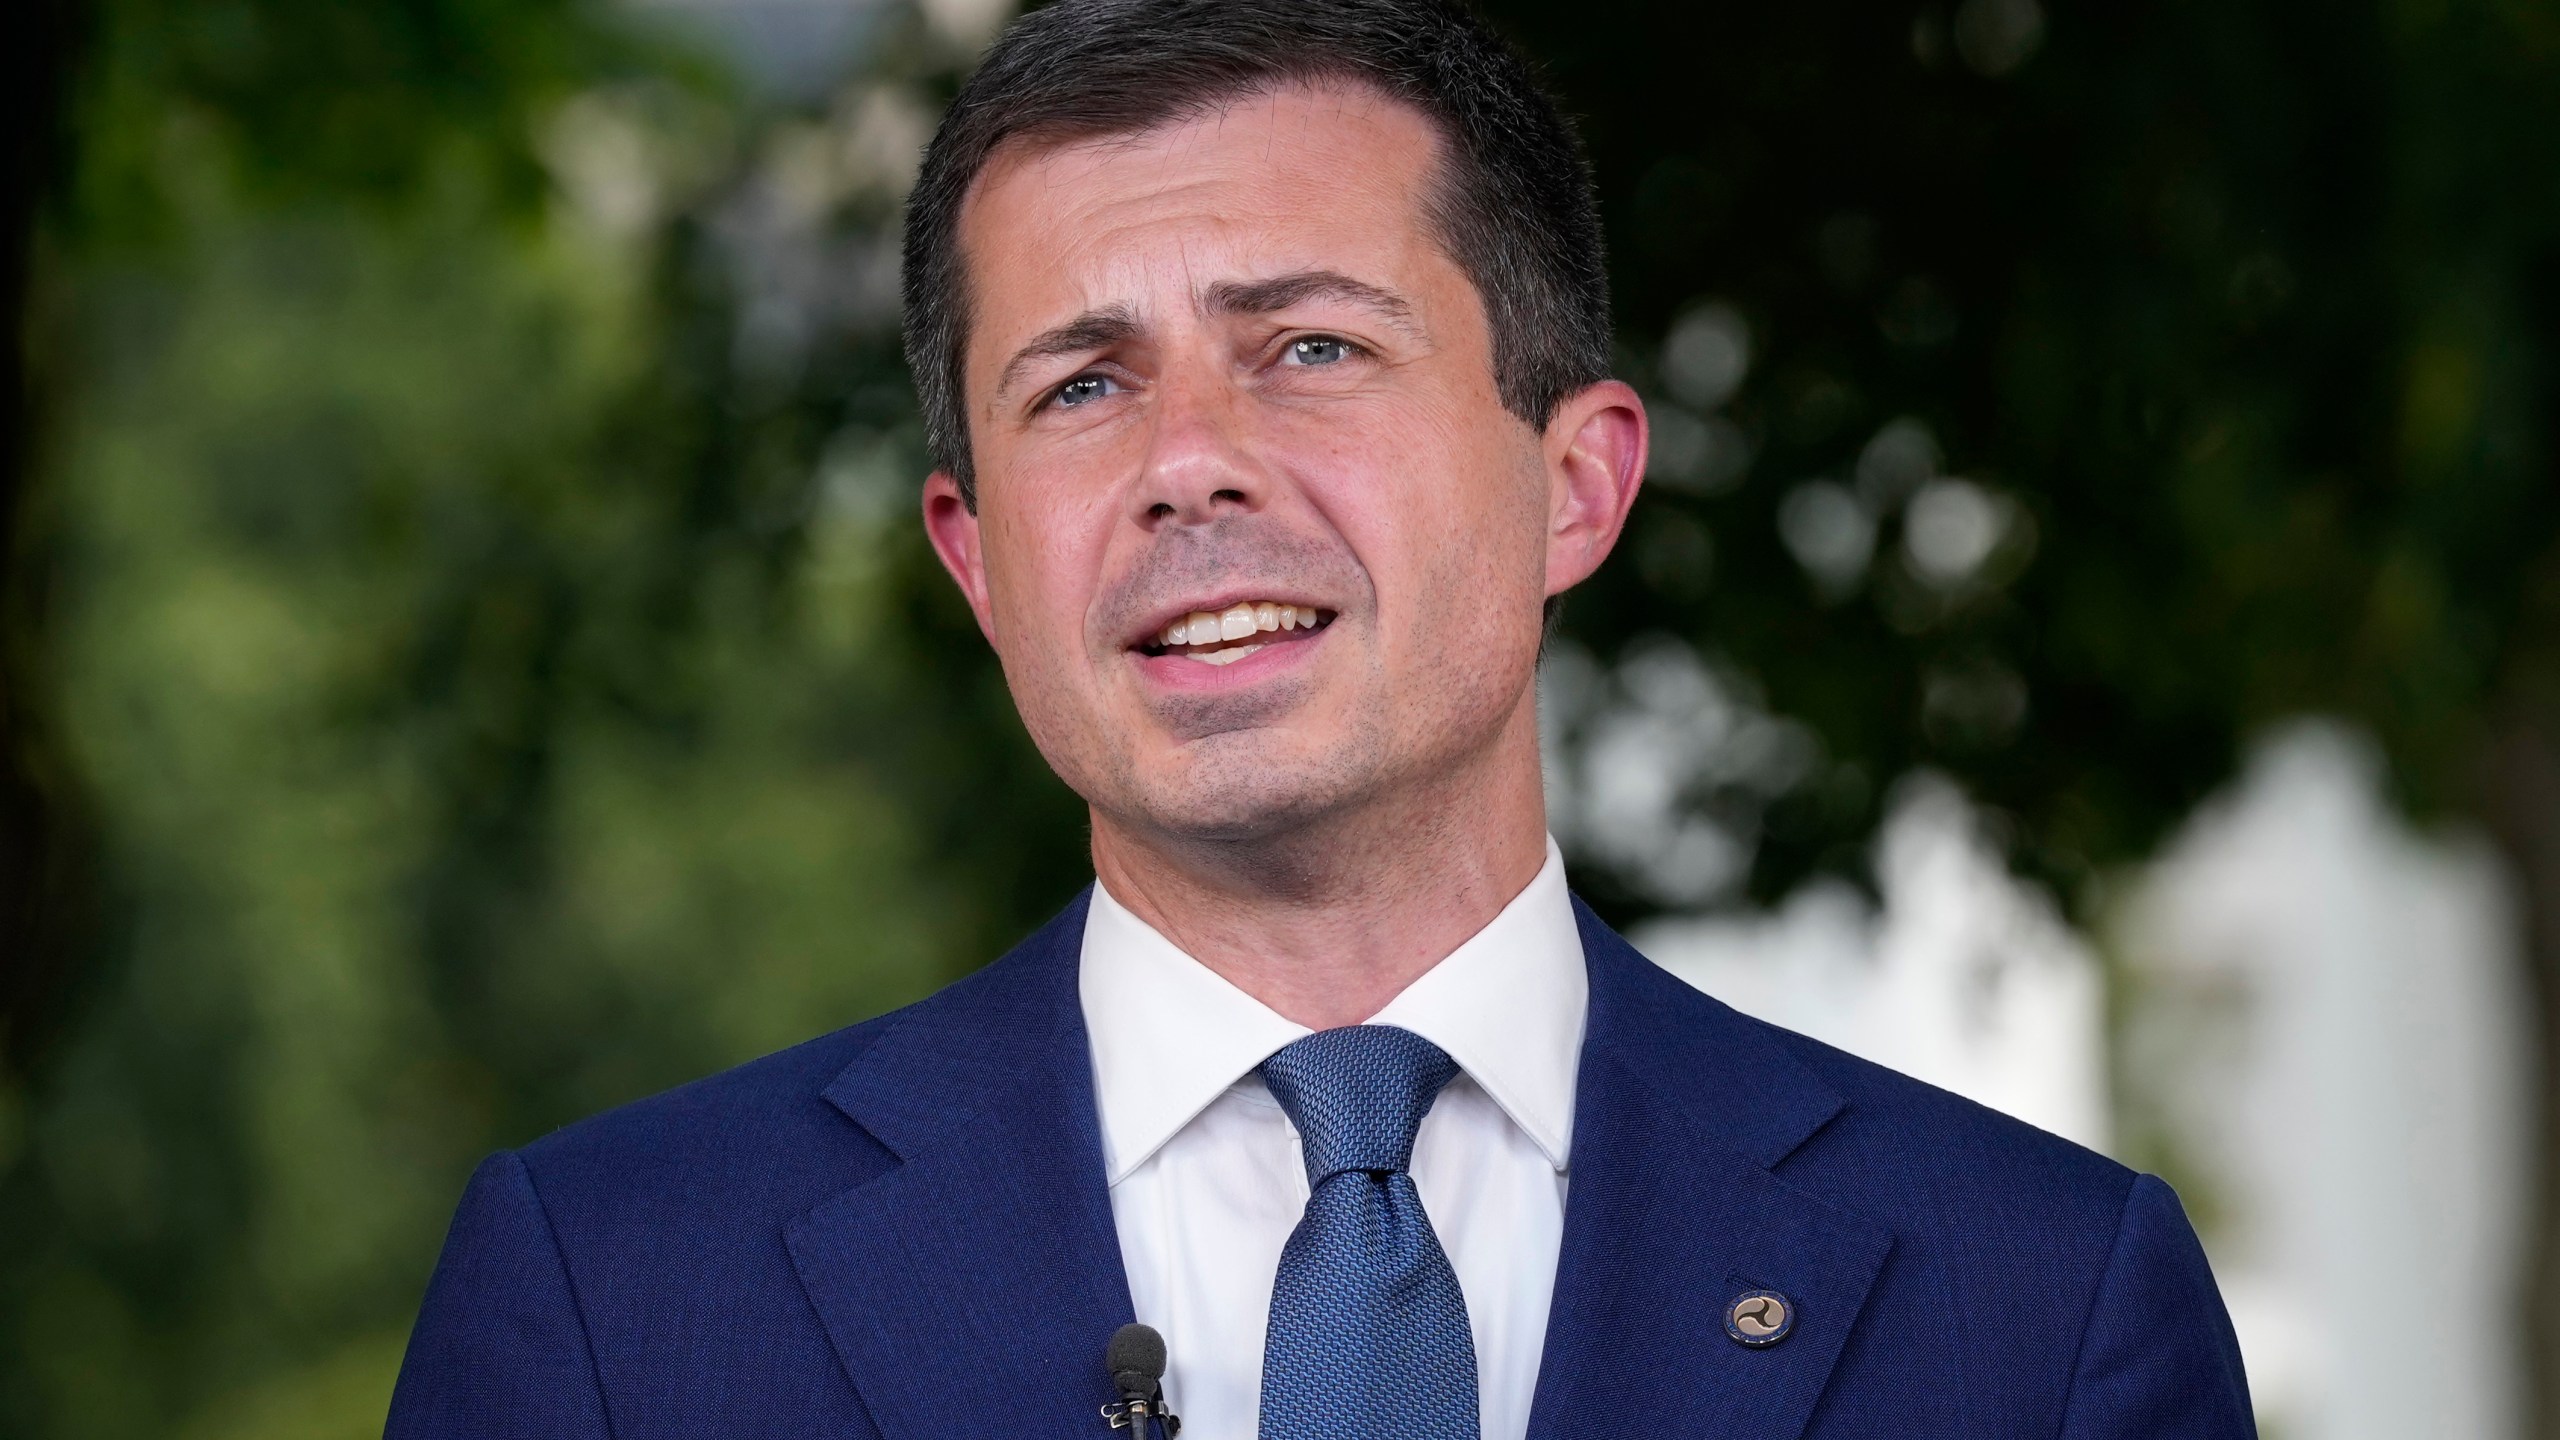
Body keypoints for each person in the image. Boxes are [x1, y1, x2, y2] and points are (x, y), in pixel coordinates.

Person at [385, 0, 2256, 1435]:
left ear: (1578, 485)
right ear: (974, 560)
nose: (1190, 464)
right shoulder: (618, 1304)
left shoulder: (2036, 1310)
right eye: (1082, 386)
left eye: (1310, 348)